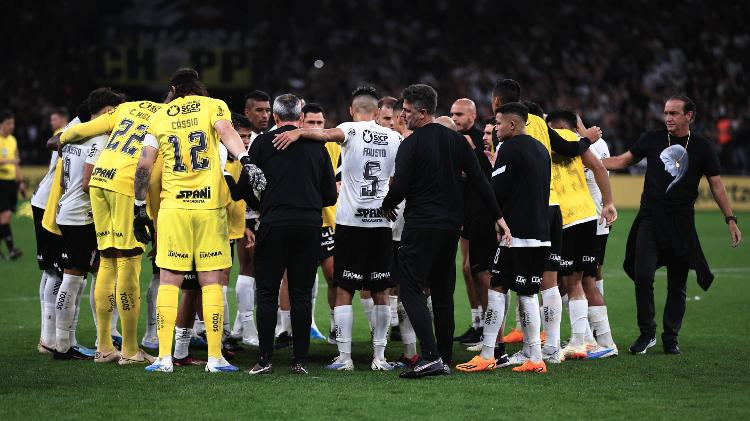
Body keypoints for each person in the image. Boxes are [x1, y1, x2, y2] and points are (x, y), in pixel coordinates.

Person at [134, 68, 263, 373]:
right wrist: (246, 160)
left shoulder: (160, 115)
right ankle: (215, 357)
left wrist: (139, 206)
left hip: (173, 208)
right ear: (199, 88)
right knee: (211, 281)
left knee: (169, 280)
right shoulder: (212, 105)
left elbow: (144, 164)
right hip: (208, 207)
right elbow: (228, 132)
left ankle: (164, 357)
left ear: (174, 88)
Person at [380, 84, 506, 379]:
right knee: (442, 291)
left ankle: (431, 356)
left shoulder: (410, 144)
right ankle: (445, 357)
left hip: (422, 225)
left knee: (410, 289)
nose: (404, 116)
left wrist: (387, 203)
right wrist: (498, 217)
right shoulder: (458, 142)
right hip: (451, 227)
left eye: (407, 111)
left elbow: (399, 188)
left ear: (423, 112)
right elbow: (479, 180)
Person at [272, 86, 401, 372]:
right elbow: (399, 177)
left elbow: (324, 135)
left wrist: (297, 132)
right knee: (380, 288)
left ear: (352, 111)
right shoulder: (394, 137)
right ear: (378, 112)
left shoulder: (350, 131)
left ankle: (345, 357)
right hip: (381, 221)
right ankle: (380, 357)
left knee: (344, 287)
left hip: (350, 222)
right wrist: (391, 201)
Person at [603, 94, 742, 355]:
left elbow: (717, 186)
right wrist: (590, 163)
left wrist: (730, 219)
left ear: (689, 115)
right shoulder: (652, 138)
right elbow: (623, 161)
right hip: (650, 220)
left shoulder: (702, 146)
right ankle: (647, 334)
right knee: (642, 276)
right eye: (666, 113)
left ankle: (670, 337)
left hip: (681, 224)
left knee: (677, 284)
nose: (668, 118)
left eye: (674, 113)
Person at [491, 79, 603, 364]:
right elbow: (569, 149)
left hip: (527, 211)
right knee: (549, 281)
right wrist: (586, 138)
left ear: (496, 104)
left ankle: (519, 348)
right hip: (554, 209)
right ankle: (550, 348)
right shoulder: (538, 122)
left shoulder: (504, 133)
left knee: (516, 283)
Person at [59, 94, 168, 364]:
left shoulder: (128, 108)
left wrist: (61, 138)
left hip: (99, 180)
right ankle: (130, 350)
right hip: (126, 186)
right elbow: (153, 178)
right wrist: (154, 224)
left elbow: (85, 128)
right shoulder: (168, 119)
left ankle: (105, 347)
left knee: (107, 261)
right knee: (128, 263)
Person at [245, 94, 337, 375]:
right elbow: (330, 195)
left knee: (268, 292)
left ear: (274, 117)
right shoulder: (316, 147)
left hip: (273, 223)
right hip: (308, 225)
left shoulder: (261, 143)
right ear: (299, 118)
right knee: (300, 293)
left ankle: (265, 360)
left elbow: (245, 187)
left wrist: (266, 203)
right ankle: (299, 361)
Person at [457, 102, 549, 373]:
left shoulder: (508, 148)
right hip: (539, 231)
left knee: (498, 287)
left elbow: (497, 190)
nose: (495, 129)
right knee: (523, 291)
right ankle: (534, 357)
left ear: (511, 124)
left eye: (497, 124)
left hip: (515, 233)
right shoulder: (541, 150)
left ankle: (489, 355)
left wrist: (498, 221)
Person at [53, 87, 124, 360]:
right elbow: (87, 184)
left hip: (69, 213)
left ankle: (101, 338)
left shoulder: (74, 136)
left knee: (95, 273)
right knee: (72, 279)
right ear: (106, 112)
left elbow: (63, 181)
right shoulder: (98, 138)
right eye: (114, 112)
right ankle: (63, 345)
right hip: (82, 218)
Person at [546, 110, 619, 360]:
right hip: (591, 218)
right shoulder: (584, 144)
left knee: (573, 281)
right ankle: (595, 340)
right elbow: (600, 167)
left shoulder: (553, 140)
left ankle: (586, 341)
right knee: (582, 279)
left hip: (569, 219)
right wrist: (609, 202)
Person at [451, 98, 495, 347]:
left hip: (482, 215)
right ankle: (477, 323)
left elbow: (490, 175)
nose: (455, 118)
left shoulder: (482, 139)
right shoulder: (451, 138)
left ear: (472, 116)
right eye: (452, 114)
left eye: (460, 114)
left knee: (480, 271)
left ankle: (489, 328)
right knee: (467, 270)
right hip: (464, 213)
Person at [231, 89, 272, 345]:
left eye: (268, 110)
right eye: (259, 110)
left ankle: (237, 326)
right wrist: (249, 219)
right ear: (247, 112)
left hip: (260, 212)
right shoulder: (240, 140)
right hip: (245, 213)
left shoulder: (267, 138)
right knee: (249, 266)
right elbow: (239, 184)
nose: (265, 115)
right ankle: (246, 328)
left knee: (259, 269)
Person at [301, 102, 339, 342]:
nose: (315, 127)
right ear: (301, 123)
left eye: (319, 123)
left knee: (334, 277)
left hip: (328, 223)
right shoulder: (293, 144)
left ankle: (337, 327)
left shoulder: (334, 146)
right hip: (303, 221)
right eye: (311, 123)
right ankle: (288, 329)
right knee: (294, 278)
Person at [33, 107, 68, 353]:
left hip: (44, 201)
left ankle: (47, 337)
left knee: (50, 270)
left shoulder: (65, 132)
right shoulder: (69, 133)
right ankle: (49, 339)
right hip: (50, 204)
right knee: (57, 271)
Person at [0, 108, 25, 260]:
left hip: (11, 183)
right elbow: (13, 161)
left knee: (4, 218)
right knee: (5, 216)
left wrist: (21, 181)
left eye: (13, 123)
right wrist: (11, 161)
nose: (11, 126)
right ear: (1, 124)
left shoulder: (13, 140)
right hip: (0, 182)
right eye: (9, 123)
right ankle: (12, 250)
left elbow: (16, 164)